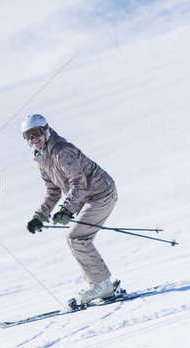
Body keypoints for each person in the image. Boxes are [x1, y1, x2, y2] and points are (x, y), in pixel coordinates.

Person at [22, 114, 118, 306]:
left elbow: (78, 181)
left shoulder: (61, 151)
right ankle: (97, 283)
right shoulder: (42, 157)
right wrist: (40, 216)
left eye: (36, 133)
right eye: (28, 136)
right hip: (87, 197)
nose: (34, 139)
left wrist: (67, 209)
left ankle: (102, 285)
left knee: (77, 237)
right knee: (77, 238)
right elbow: (53, 190)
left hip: (101, 194)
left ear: (46, 130)